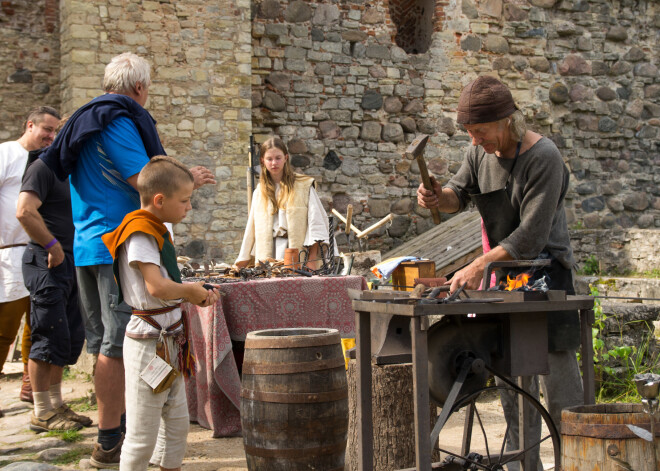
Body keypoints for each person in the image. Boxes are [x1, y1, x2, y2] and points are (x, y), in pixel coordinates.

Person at [40, 52, 215, 467]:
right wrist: (186, 179)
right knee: (118, 345)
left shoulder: (87, 119)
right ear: (139, 88)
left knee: (107, 343)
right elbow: (145, 181)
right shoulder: (117, 120)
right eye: (148, 89)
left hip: (92, 242)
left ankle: (116, 438)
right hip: (119, 246)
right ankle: (114, 441)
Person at [417, 75, 583, 471]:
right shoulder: (478, 154)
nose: (475, 141)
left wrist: (479, 263)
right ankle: (523, 467)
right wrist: (437, 196)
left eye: (481, 131)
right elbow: (458, 193)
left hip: (548, 279)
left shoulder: (544, 157)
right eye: (470, 133)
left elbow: (531, 235)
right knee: (512, 389)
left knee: (563, 393)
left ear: (508, 120)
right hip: (505, 283)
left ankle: (576, 462)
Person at [101, 156, 219, 471]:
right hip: (148, 343)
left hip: (168, 340)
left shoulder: (155, 226)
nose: (189, 207)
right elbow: (156, 287)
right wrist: (192, 293)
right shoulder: (140, 233)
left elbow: (167, 286)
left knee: (177, 424)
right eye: (184, 200)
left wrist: (195, 290)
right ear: (159, 200)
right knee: (142, 435)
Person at [16, 121, 91, 432]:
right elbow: (24, 210)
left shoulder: (69, 171)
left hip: (69, 263)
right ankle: (42, 412)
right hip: (45, 263)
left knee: (66, 337)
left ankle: (57, 405)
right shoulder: (42, 167)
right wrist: (53, 246)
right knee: (47, 337)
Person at [0, 106, 60, 415]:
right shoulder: (6, 154)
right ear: (30, 125)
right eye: (46, 130)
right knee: (5, 326)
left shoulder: (50, 163)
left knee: (38, 324)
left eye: (55, 132)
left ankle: (29, 385)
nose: (51, 136)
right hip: (9, 250)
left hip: (42, 250)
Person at [235, 136, 334, 270]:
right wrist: (241, 262)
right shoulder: (259, 192)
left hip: (296, 253)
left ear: (286, 158)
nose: (274, 163)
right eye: (269, 159)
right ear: (262, 161)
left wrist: (312, 261)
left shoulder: (303, 186)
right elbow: (251, 231)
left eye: (278, 158)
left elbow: (316, 225)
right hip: (268, 256)